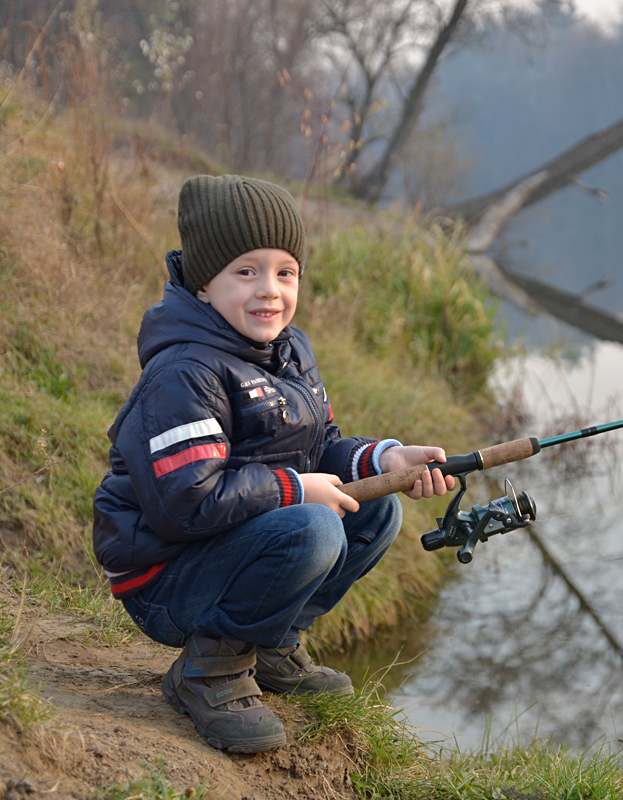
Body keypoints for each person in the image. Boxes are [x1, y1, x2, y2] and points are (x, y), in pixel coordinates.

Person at [92, 174, 455, 753]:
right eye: (246, 271)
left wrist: (384, 456)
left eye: (285, 273)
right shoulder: (184, 372)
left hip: (234, 542)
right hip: (165, 577)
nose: (270, 291)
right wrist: (295, 490)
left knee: (375, 509)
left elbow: (322, 446)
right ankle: (208, 671)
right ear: (204, 285)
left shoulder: (289, 350)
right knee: (312, 524)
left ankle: (272, 647)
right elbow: (188, 503)